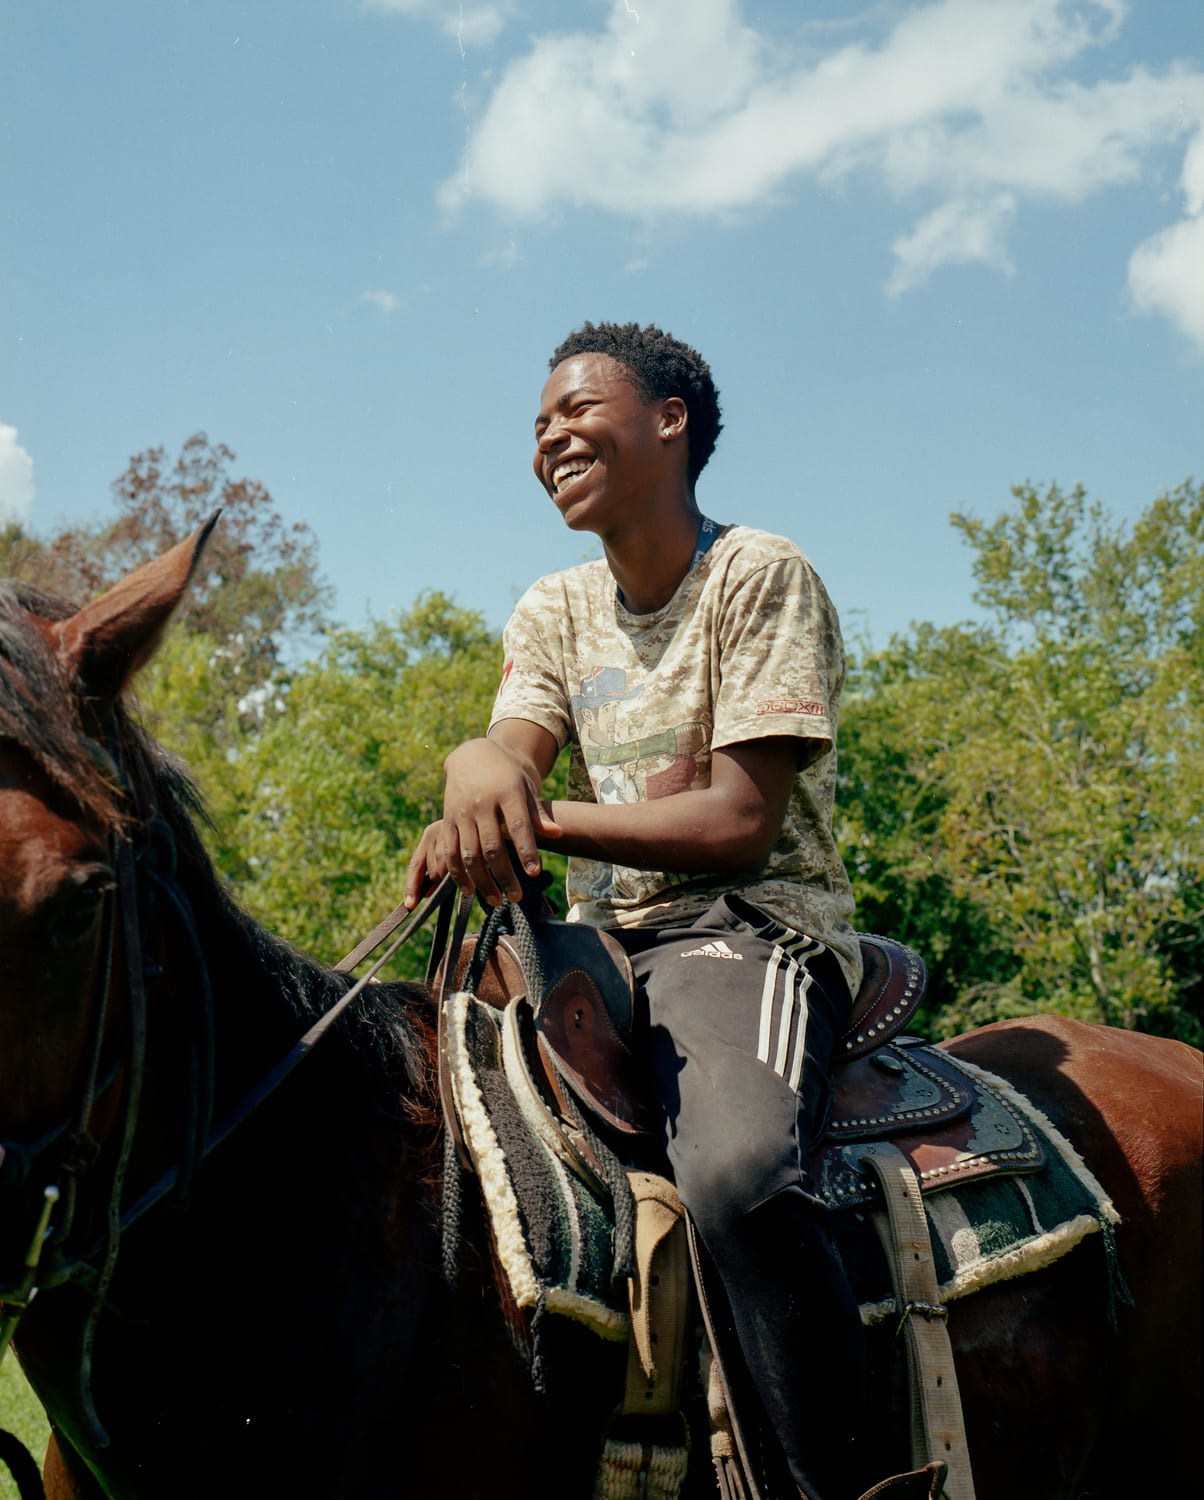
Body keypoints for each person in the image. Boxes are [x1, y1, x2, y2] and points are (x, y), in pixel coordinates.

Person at [404, 322, 944, 1500]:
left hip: (748, 928)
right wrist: (475, 768)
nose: (549, 435)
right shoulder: (552, 606)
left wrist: (529, 819)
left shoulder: (758, 574)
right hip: (596, 942)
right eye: (536, 423)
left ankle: (832, 1482)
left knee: (739, 1175)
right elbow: (514, 744)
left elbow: (737, 819)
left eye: (575, 408)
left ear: (669, 421)